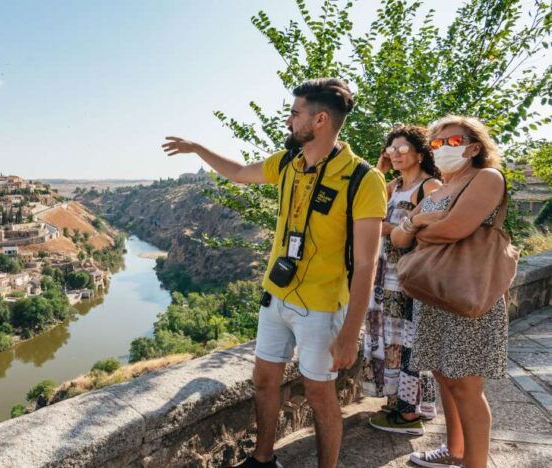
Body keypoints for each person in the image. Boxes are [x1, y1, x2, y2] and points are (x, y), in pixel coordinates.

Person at [162, 78, 387, 468]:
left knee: (320, 395)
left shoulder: (362, 179)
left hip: (321, 308)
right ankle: (263, 460)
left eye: (295, 113)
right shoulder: (288, 163)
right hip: (276, 298)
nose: (288, 120)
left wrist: (350, 334)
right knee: (264, 381)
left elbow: (367, 264)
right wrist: (197, 148)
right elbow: (237, 172)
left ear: (319, 120)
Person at [390, 116, 507, 468]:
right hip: (435, 294)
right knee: (445, 378)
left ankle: (475, 464)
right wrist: (417, 223)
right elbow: (397, 237)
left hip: (468, 294)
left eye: (451, 142)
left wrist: (419, 225)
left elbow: (456, 229)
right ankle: (454, 451)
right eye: (436, 144)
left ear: (474, 147)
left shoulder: (486, 178)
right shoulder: (440, 190)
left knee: (468, 388)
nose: (442, 149)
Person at [362, 125, 442, 435]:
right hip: (386, 275)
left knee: (409, 340)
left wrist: (391, 228)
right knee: (390, 337)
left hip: (410, 274)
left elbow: (435, 225)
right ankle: (397, 401)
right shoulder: (394, 185)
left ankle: (410, 415)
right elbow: (367, 210)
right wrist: (379, 172)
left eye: (402, 148)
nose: (394, 153)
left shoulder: (431, 186)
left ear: (420, 153)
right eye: (390, 149)